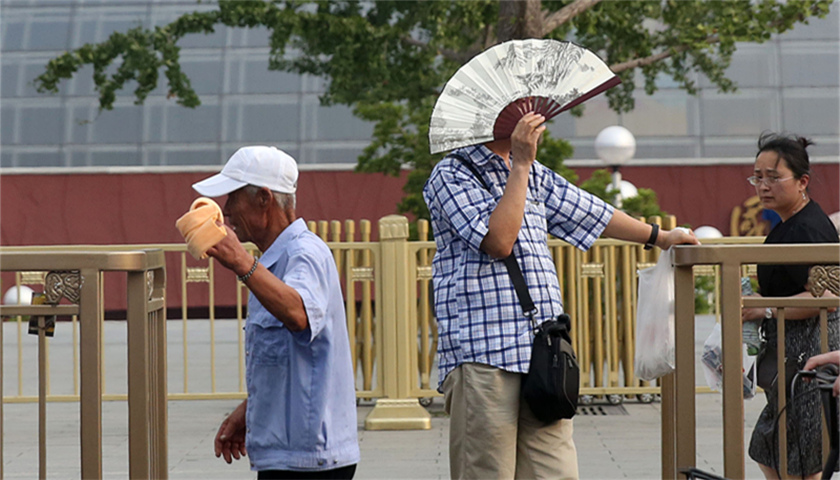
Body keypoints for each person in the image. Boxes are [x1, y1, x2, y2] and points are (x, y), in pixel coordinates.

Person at [423, 113, 699, 479]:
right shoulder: (451, 174)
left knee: (555, 471)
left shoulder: (535, 172)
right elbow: (499, 241)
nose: (532, 115)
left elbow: (590, 212)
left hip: (541, 348)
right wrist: (520, 164)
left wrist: (659, 237)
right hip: (483, 353)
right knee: (486, 472)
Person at [191, 146, 360, 479]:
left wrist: (240, 261)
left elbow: (298, 314)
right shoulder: (275, 260)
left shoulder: (304, 254)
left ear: (264, 199)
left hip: (308, 457)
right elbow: (289, 357)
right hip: (288, 453)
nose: (226, 211)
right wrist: (250, 411)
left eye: (233, 198)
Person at [740, 133, 839, 480]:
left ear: (802, 182)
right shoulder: (787, 224)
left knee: (800, 459)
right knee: (771, 449)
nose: (763, 185)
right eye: (757, 177)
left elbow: (826, 297)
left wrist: (763, 309)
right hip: (789, 358)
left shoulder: (809, 228)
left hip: (811, 355)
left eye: (773, 177)